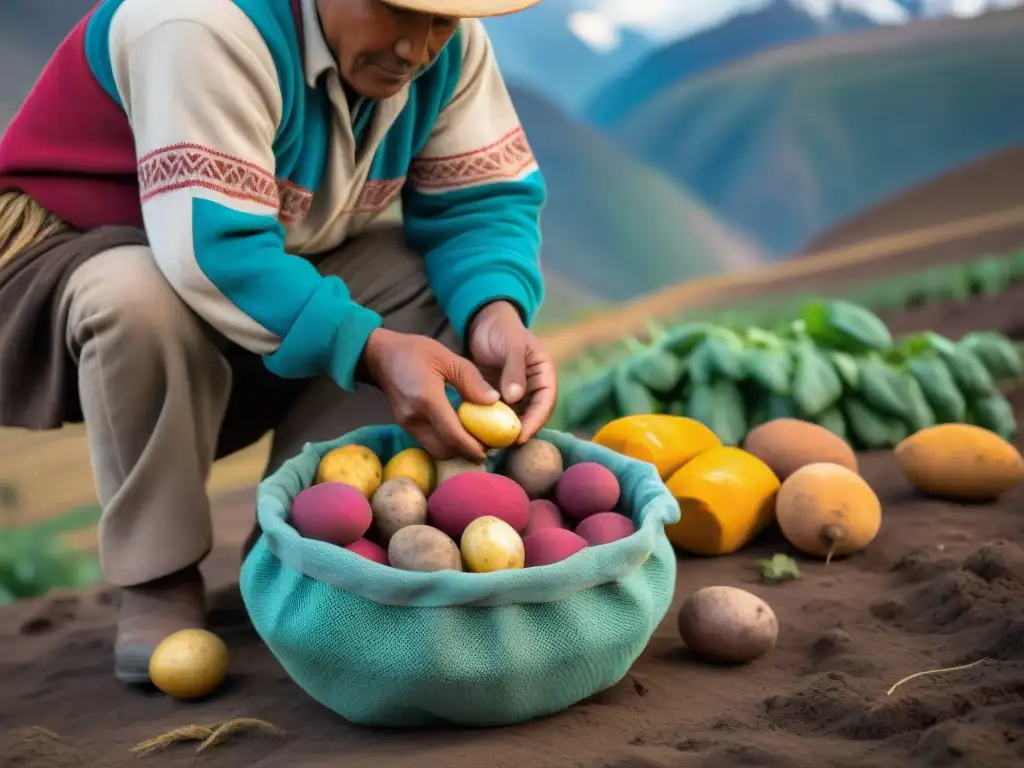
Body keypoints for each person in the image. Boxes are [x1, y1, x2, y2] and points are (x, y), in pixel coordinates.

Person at [0, 0, 557, 686]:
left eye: (438, 20)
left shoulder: (452, 46)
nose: (417, 48)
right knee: (136, 294)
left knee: (437, 294)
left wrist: (494, 313)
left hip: (280, 261)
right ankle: (158, 577)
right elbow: (214, 250)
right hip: (98, 263)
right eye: (394, 12)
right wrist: (375, 349)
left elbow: (483, 202)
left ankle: (302, 548)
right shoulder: (199, 24)